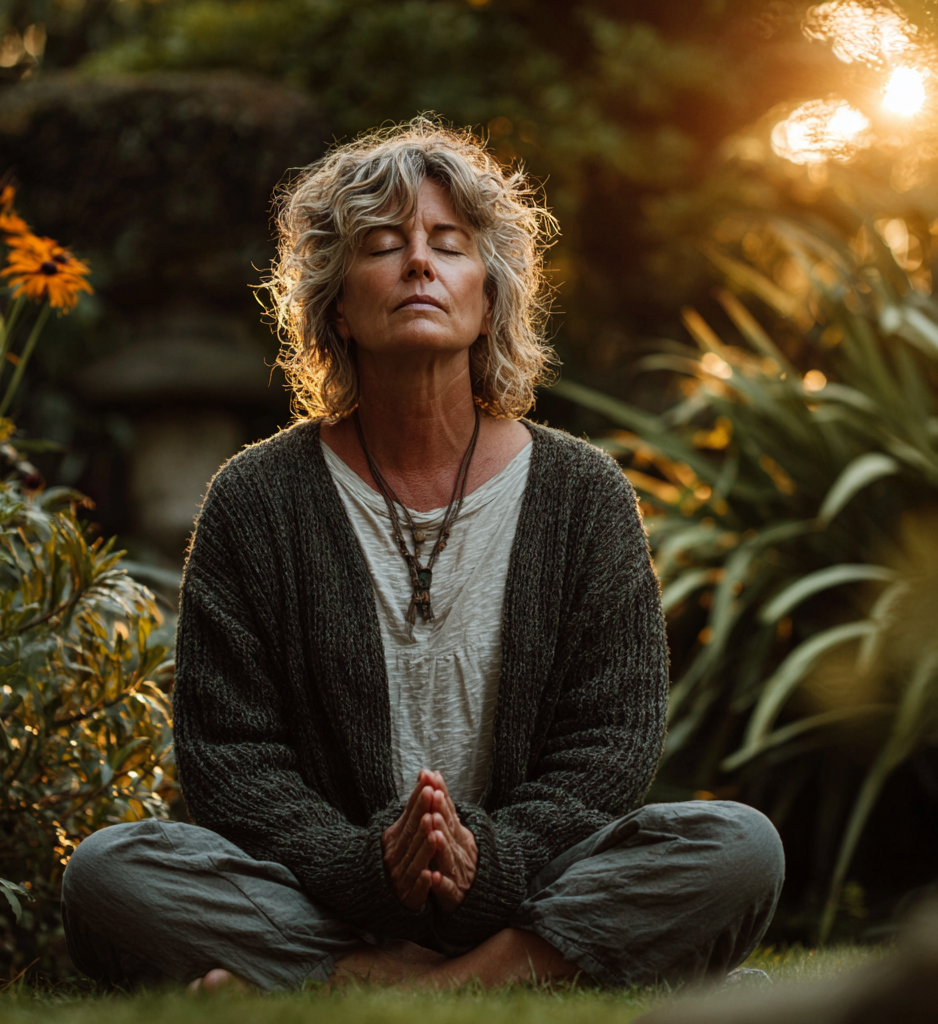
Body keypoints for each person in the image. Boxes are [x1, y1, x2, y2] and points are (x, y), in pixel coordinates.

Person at [60, 118, 785, 993]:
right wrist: (373, 867)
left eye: (447, 243)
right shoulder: (255, 500)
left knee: (739, 847)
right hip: (325, 893)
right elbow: (230, 758)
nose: (418, 264)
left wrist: (490, 861)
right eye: (382, 245)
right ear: (336, 304)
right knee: (107, 871)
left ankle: (375, 988)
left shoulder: (583, 494)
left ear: (490, 293)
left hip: (527, 886)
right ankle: (520, 975)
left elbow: (610, 744)